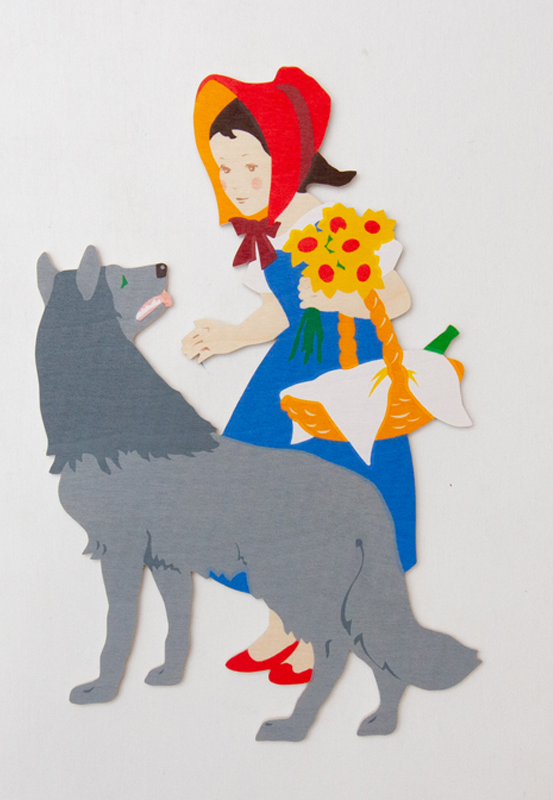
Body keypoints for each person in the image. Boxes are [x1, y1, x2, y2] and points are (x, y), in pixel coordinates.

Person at [183, 68, 416, 684]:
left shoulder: (325, 222)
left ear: (285, 161)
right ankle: (280, 624)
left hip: (341, 380)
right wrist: (234, 334)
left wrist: (340, 297)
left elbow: (395, 298)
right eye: (225, 169)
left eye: (251, 166)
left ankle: (321, 632)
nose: (238, 183)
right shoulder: (270, 235)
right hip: (287, 372)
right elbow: (280, 309)